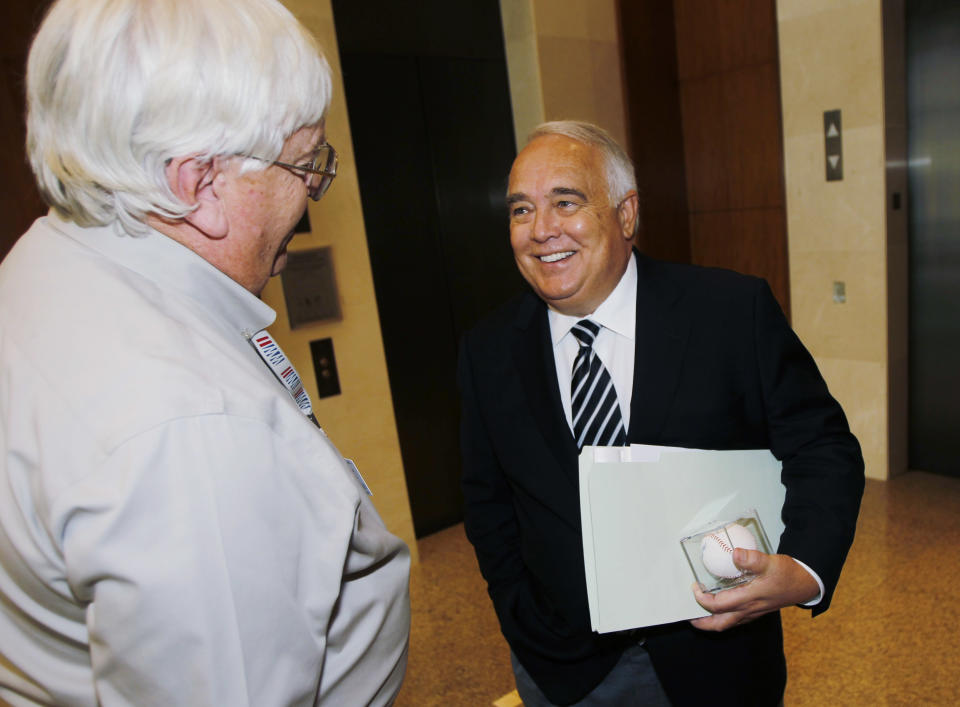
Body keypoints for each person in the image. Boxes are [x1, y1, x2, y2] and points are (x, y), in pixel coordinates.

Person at [0, 0, 410, 704]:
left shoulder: (42, 269)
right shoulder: (194, 428)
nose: (312, 192)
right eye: (306, 162)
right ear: (197, 186)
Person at [458, 120, 864, 706]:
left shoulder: (730, 312)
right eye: (521, 211)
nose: (541, 231)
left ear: (626, 214)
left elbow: (822, 447)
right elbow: (487, 500)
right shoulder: (487, 349)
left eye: (565, 202)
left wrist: (805, 567)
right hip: (563, 670)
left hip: (716, 661)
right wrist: (519, 611)